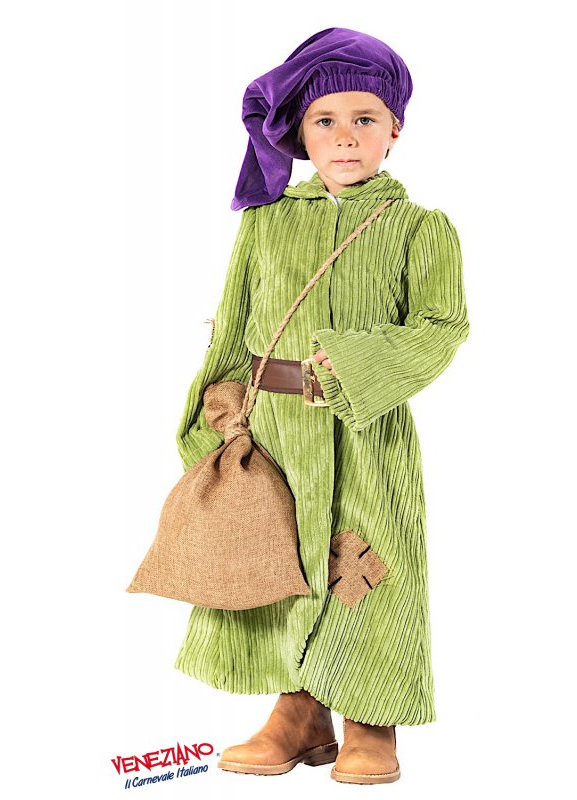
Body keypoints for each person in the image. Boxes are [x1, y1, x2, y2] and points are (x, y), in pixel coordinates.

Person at [173, 27, 470, 785]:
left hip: (366, 427)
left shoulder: (420, 229)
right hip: (274, 431)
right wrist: (220, 409)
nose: (345, 136)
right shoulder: (266, 220)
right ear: (301, 135)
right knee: (284, 562)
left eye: (365, 119)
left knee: (367, 564)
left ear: (395, 129)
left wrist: (355, 368)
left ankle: (371, 719)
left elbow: (441, 326)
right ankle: (299, 714)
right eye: (325, 121)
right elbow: (236, 321)